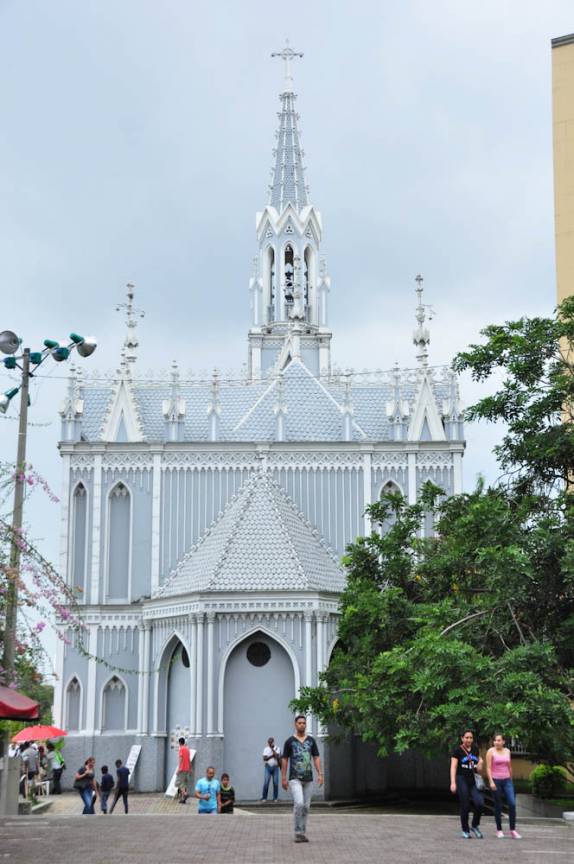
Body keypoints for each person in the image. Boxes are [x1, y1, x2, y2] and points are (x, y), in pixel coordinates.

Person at [281, 715, 323, 843]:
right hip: (295, 778)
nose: (302, 725)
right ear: (295, 724)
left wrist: (320, 774)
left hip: (308, 779)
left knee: (306, 807)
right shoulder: (289, 741)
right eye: (299, 723)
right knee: (299, 803)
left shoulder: (311, 741)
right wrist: (283, 777)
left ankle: (302, 833)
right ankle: (297, 831)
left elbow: (316, 757)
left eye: (304, 723)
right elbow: (284, 759)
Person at [450, 730, 484, 839]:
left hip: (473, 779)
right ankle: (465, 830)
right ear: (462, 738)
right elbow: (453, 767)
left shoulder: (475, 749)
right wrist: (453, 783)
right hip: (461, 779)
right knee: (465, 805)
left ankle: (474, 825)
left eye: (471, 738)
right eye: (467, 737)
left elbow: (478, 769)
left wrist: (480, 764)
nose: (469, 740)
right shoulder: (457, 751)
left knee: (480, 803)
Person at [486, 733, 521, 839]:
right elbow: (488, 768)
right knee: (498, 805)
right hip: (496, 780)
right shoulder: (490, 752)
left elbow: (509, 766)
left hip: (507, 781)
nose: (497, 742)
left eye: (499, 740)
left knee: (512, 804)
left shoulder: (507, 751)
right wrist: (491, 781)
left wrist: (510, 779)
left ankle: (513, 830)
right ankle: (499, 830)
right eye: (495, 740)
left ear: (503, 742)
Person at [261, 736, 281, 801]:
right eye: (269, 742)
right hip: (268, 767)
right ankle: (264, 798)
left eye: (271, 742)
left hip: (275, 767)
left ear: (273, 742)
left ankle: (275, 798)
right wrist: (272, 755)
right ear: (267, 742)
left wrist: (272, 749)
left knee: (275, 783)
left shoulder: (277, 748)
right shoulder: (265, 749)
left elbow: (277, 757)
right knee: (266, 782)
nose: (270, 743)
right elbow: (264, 758)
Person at [176, 737, 191, 804]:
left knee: (178, 783)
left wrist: (179, 769)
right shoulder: (187, 749)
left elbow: (181, 759)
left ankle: (185, 794)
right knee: (184, 784)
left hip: (182, 769)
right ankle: (183, 799)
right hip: (187, 769)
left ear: (179, 743)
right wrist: (190, 768)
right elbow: (189, 759)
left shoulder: (181, 749)